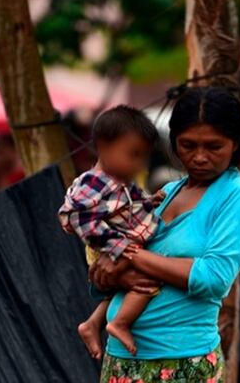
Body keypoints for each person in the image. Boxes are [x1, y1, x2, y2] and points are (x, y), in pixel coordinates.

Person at [88, 87, 240, 383]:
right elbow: (112, 269)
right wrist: (105, 270)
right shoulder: (166, 192)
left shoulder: (238, 195)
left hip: (181, 367)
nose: (199, 157)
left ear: (236, 143)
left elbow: (213, 278)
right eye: (187, 145)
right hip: (124, 364)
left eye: (213, 146)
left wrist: (129, 254)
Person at [59, 106, 167, 357]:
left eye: (144, 157)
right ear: (104, 148)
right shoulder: (93, 181)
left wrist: (152, 201)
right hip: (108, 248)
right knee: (150, 281)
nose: (140, 164)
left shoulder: (122, 181)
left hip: (120, 246)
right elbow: (76, 216)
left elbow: (132, 205)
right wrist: (116, 245)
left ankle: (92, 324)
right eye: (133, 155)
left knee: (132, 284)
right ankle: (119, 323)